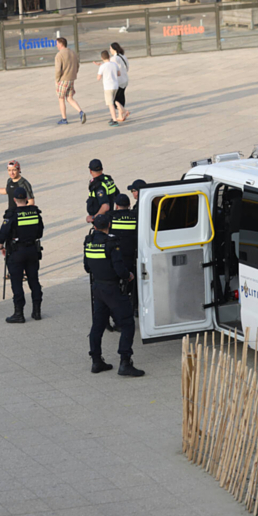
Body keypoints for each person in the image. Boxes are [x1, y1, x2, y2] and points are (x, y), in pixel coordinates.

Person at [84, 214, 144, 377]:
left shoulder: (88, 242)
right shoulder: (111, 243)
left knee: (98, 324)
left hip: (98, 288)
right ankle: (125, 362)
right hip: (112, 289)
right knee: (127, 323)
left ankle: (96, 361)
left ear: (95, 227)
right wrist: (128, 276)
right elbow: (119, 268)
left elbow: (86, 267)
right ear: (108, 225)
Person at [0, 187, 44, 323]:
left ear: (14, 199)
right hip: (32, 251)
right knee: (34, 280)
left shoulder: (12, 214)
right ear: (26, 199)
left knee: (16, 282)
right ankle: (37, 311)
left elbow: (2, 235)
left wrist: (1, 246)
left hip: (16, 252)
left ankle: (19, 313)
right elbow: (40, 232)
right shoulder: (35, 212)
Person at [109, 194, 138, 315]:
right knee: (134, 279)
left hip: (117, 255)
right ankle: (134, 304)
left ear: (116, 206)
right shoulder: (135, 216)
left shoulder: (111, 217)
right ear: (129, 205)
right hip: (131, 254)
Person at [55, 37, 85, 125]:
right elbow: (77, 65)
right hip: (71, 78)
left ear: (61, 44)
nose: (56, 46)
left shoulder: (59, 55)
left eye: (57, 44)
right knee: (69, 98)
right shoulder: (73, 53)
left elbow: (58, 70)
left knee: (61, 98)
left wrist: (57, 80)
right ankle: (81, 112)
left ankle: (64, 119)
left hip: (63, 79)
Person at [86, 159, 119, 223]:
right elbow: (117, 196)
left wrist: (93, 217)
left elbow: (105, 207)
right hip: (109, 219)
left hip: (102, 222)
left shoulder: (98, 186)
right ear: (102, 169)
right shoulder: (108, 180)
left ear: (90, 171)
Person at [96, 49, 123, 126]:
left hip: (108, 87)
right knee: (112, 101)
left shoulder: (102, 66)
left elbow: (98, 77)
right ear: (109, 56)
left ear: (102, 58)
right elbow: (119, 74)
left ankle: (114, 120)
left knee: (110, 103)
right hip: (115, 85)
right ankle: (114, 116)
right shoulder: (114, 64)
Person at [111, 43, 131, 121]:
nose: (110, 50)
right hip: (125, 79)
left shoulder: (114, 58)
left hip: (118, 81)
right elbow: (127, 67)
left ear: (114, 49)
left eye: (110, 48)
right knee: (121, 97)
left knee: (113, 100)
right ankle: (120, 115)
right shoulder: (123, 56)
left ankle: (125, 111)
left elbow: (112, 69)